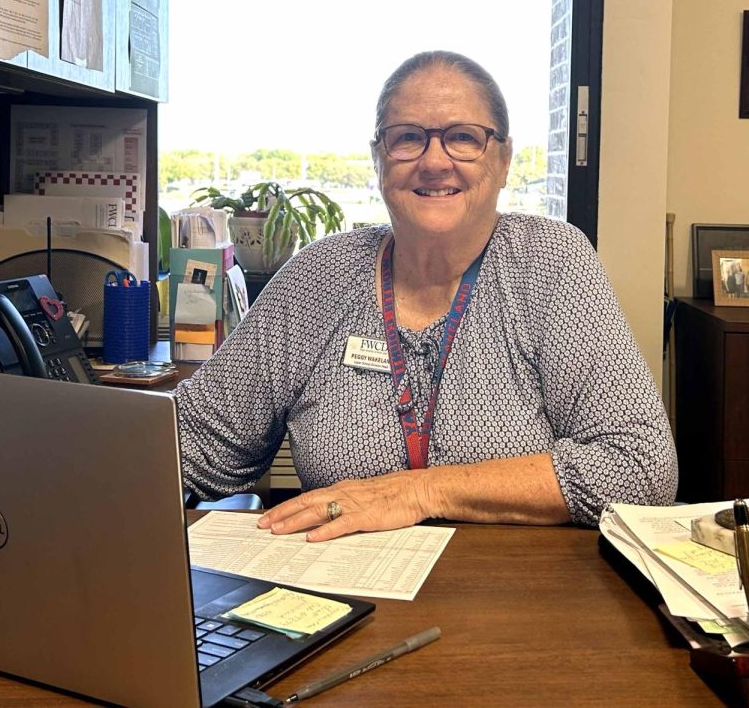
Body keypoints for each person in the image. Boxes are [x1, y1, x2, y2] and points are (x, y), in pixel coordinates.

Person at [175, 50, 677, 542]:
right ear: (378, 159)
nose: (434, 162)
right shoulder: (318, 275)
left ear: (502, 160)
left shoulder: (549, 262)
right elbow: (195, 442)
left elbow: (639, 466)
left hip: (521, 602)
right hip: (348, 601)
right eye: (408, 138)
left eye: (463, 138)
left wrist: (417, 492)